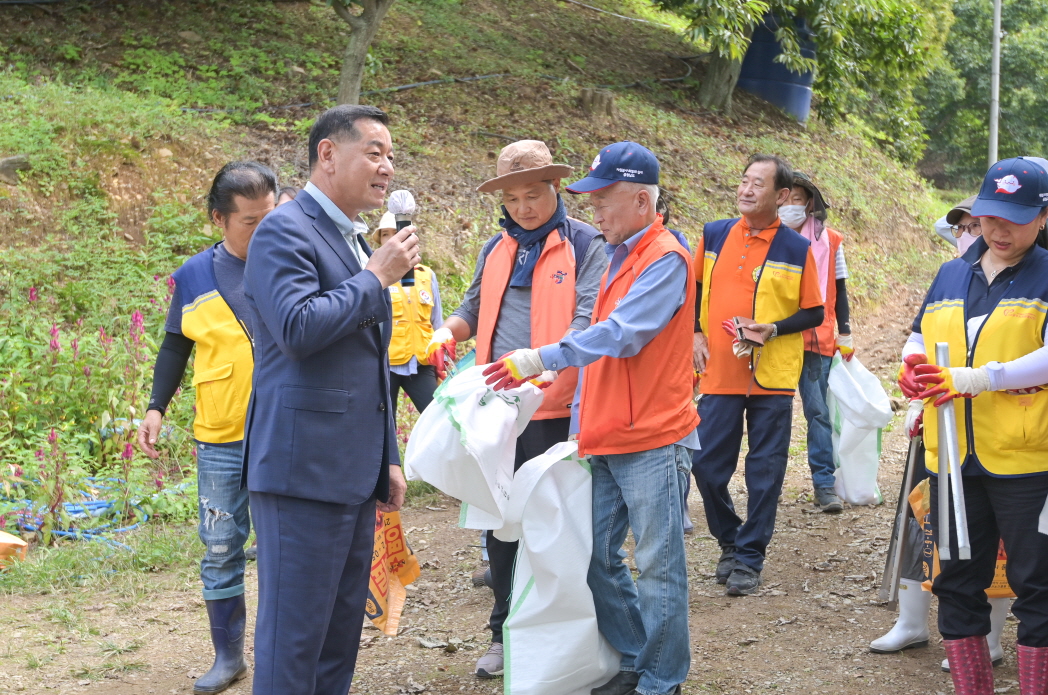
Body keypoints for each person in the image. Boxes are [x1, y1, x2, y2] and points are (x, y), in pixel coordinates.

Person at [483, 140, 698, 695]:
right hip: (604, 434)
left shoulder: (665, 258)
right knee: (596, 558)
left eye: (604, 200)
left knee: (658, 565)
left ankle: (661, 680)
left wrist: (542, 357)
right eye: (593, 201)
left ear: (643, 202)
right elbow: (600, 352)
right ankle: (636, 658)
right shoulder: (618, 255)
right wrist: (579, 425)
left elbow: (620, 336)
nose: (595, 211)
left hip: (653, 437)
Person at [242, 104, 420, 695]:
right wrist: (375, 277)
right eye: (374, 152)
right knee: (294, 640)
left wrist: (387, 456)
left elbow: (368, 364)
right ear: (328, 155)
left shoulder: (351, 239)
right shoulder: (284, 229)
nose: (387, 167)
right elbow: (296, 329)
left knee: (338, 638)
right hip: (302, 474)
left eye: (390, 156)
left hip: (352, 472)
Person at [425, 139, 607, 679]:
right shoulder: (496, 247)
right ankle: (501, 631)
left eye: (533, 195)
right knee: (499, 523)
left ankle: (564, 637)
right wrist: (446, 332)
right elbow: (472, 308)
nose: (523, 207)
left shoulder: (585, 243)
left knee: (555, 525)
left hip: (558, 406)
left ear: (556, 187)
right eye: (511, 199)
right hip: (498, 409)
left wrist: (545, 365)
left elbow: (588, 319)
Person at [904, 156, 1048, 694]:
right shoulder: (951, 272)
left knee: (1038, 585)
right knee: (957, 582)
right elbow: (918, 336)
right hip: (951, 458)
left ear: (1043, 217)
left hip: (1027, 460)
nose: (998, 230)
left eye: (1015, 218)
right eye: (989, 217)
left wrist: (981, 378)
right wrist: (910, 367)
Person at [136, 161, 278, 694]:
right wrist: (156, 407)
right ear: (219, 218)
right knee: (220, 546)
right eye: (250, 222)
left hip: (283, 430)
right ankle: (228, 658)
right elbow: (176, 343)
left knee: (284, 547)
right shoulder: (195, 275)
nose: (263, 230)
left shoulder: (291, 262)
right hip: (221, 434)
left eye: (270, 217)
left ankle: (281, 656)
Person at [691, 154, 825, 596]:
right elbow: (694, 287)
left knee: (764, 473)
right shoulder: (714, 234)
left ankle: (749, 557)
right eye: (744, 181)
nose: (746, 190)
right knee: (706, 465)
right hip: (720, 370)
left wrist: (773, 329)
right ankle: (730, 540)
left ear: (782, 196)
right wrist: (694, 332)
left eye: (758, 184)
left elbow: (814, 311)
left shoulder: (796, 248)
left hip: (773, 375)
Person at [779, 171, 853, 513]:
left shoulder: (831, 241)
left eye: (798, 199)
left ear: (810, 204)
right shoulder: (766, 237)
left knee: (818, 412)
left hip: (816, 336)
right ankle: (768, 485)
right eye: (786, 199)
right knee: (772, 414)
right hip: (774, 337)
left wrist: (845, 331)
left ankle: (824, 484)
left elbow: (841, 289)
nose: (791, 206)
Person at [371, 212, 444, 416]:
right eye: (385, 234)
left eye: (396, 232)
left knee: (437, 418)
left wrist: (441, 358)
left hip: (421, 361)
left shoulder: (426, 275)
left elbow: (437, 321)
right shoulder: (372, 276)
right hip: (386, 364)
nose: (391, 239)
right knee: (384, 424)